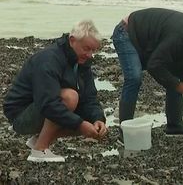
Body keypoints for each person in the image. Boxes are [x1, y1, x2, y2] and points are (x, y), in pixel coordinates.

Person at [111, 8, 183, 139]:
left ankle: (174, 126)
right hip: (127, 32)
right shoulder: (182, 35)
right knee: (134, 77)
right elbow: (154, 66)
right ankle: (125, 133)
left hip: (149, 40)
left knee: (178, 78)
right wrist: (179, 86)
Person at [3, 20, 108, 162]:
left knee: (90, 122)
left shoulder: (82, 62)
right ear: (72, 40)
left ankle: (38, 140)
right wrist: (79, 124)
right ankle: (39, 150)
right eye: (86, 48)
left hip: (41, 108)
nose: (90, 55)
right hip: (20, 115)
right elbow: (47, 103)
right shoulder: (49, 59)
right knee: (70, 97)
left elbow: (89, 98)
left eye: (93, 50)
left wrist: (98, 119)